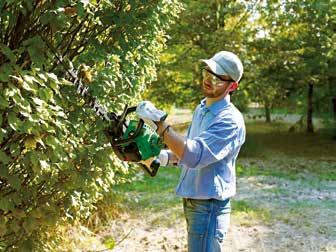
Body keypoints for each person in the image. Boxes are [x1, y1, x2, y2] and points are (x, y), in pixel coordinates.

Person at [138, 51, 246, 252]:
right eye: (207, 72)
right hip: (194, 200)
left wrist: (161, 125)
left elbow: (195, 155)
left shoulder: (230, 120)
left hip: (209, 207)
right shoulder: (202, 108)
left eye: (217, 78)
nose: (208, 79)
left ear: (232, 86)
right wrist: (161, 157)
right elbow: (188, 148)